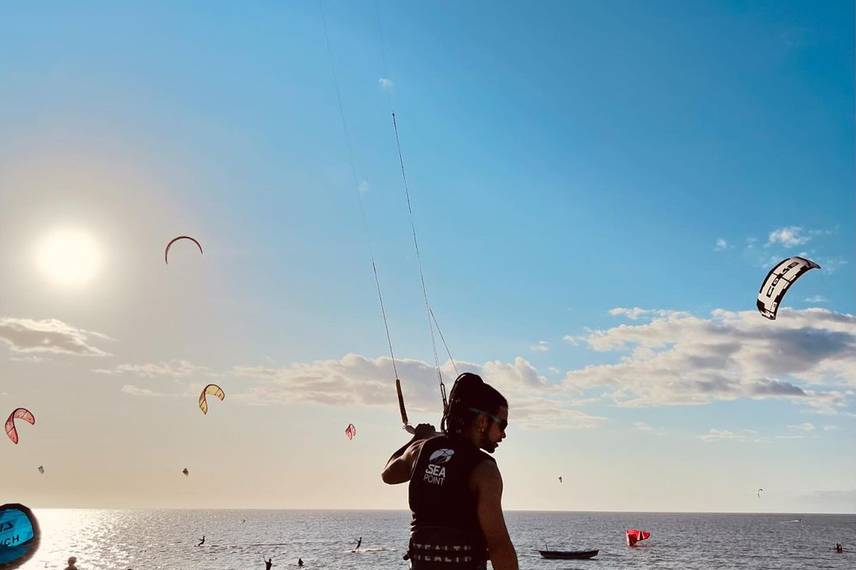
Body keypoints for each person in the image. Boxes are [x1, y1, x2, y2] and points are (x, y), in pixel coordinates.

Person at [381, 372, 519, 570]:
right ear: (482, 421)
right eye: (502, 425)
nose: (504, 434)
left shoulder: (421, 449)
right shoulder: (485, 470)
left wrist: (415, 439)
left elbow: (388, 474)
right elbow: (499, 546)